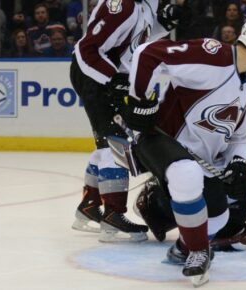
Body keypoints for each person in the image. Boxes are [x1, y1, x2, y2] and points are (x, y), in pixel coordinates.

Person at [116, 18, 246, 287]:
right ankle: (198, 251)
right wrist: (139, 101)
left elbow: (242, 138)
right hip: (157, 137)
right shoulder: (212, 55)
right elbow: (148, 53)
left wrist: (240, 164)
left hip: (198, 161)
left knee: (220, 216)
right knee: (186, 172)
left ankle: (184, 246)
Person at [133, 93, 246, 252]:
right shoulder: (223, 127)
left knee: (237, 239)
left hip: (229, 204)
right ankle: (154, 196)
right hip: (193, 194)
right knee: (155, 212)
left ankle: (243, 214)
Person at [69, 0, 185, 242]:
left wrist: (162, 24)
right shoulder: (122, 5)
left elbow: (136, 38)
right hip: (94, 74)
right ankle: (113, 216)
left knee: (107, 142)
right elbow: (88, 49)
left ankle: (89, 206)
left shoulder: (146, 3)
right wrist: (112, 79)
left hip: (108, 76)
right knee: (116, 142)